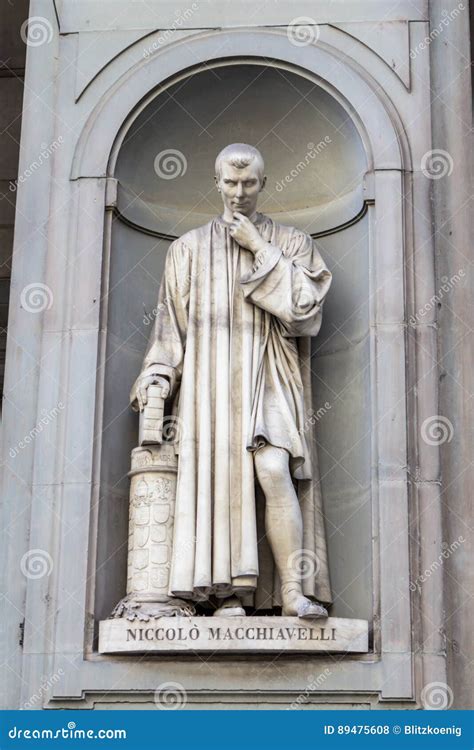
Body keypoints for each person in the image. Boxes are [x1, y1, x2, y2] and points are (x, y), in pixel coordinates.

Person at [131, 144, 333, 618]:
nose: (239, 193)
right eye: (230, 183)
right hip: (210, 385)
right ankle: (229, 595)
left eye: (249, 184)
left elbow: (305, 310)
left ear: (263, 183)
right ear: (216, 182)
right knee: (223, 482)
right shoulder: (187, 249)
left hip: (270, 372)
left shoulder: (292, 242)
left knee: (272, 470)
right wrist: (158, 377)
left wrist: (259, 248)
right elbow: (169, 332)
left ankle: (292, 593)